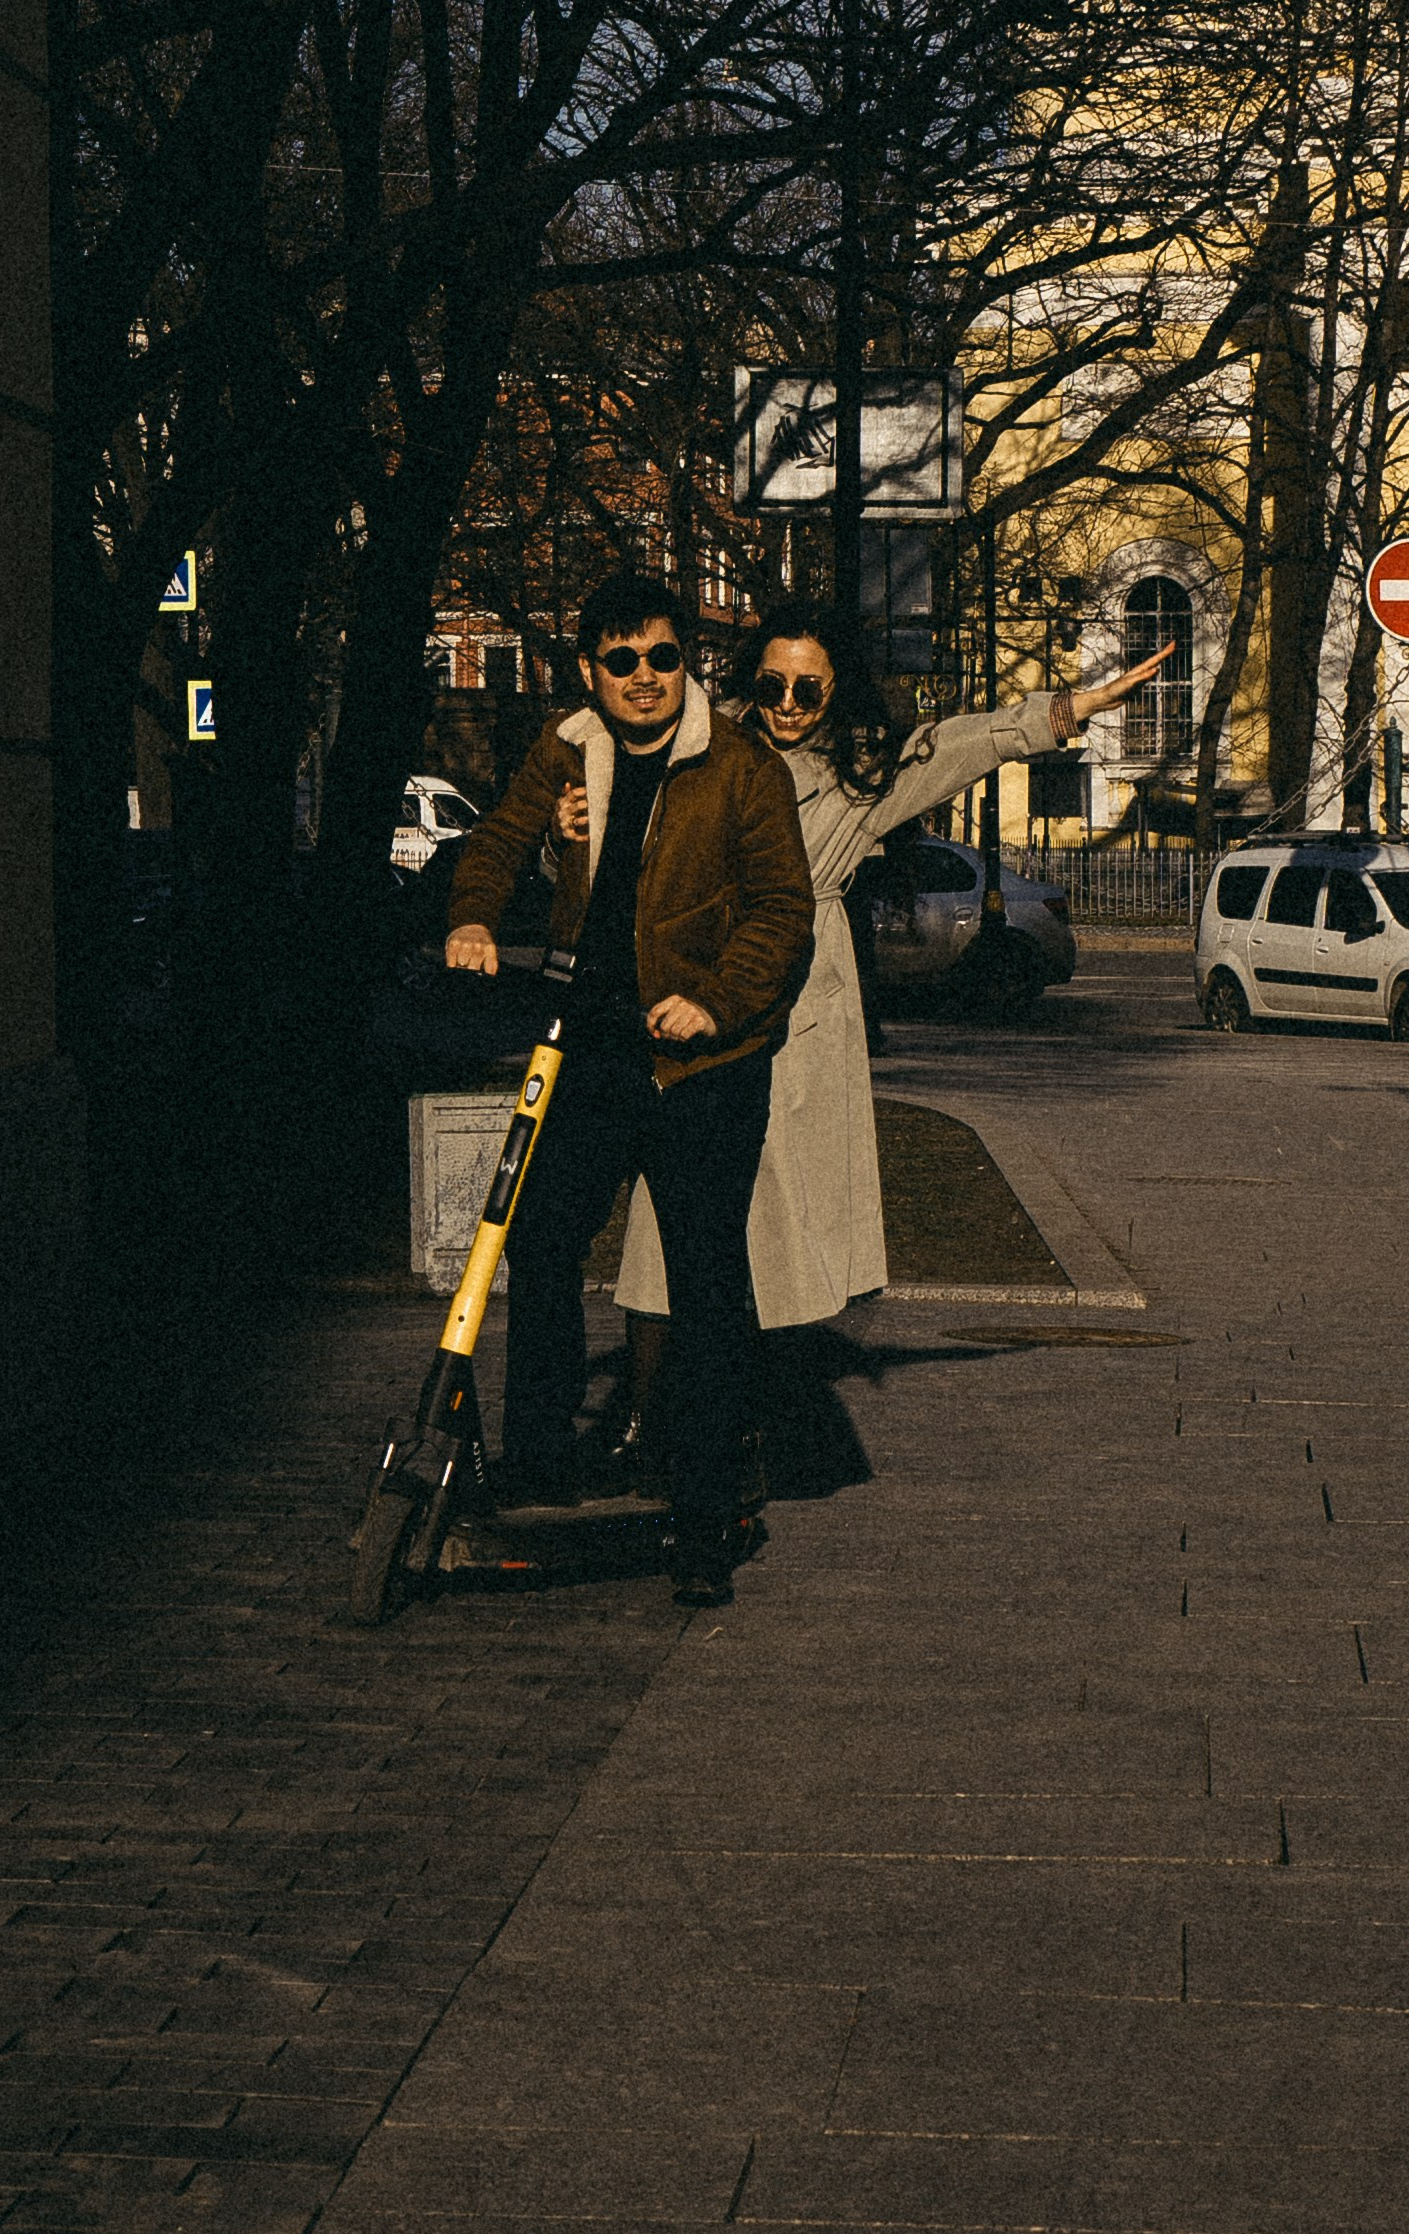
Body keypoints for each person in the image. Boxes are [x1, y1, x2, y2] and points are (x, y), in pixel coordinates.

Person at [597, 614, 1170, 1424]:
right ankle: (645, 1419)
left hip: (799, 1014)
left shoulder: (862, 773)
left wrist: (1071, 707)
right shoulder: (700, 746)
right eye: (771, 684)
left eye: (808, 690)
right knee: (664, 1213)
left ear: (836, 693)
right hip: (698, 994)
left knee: (780, 1213)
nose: (787, 704)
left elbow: (965, 743)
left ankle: (751, 1415)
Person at [442, 569, 815, 1604]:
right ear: (589, 669)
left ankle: (702, 1516)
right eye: (621, 659)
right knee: (539, 1241)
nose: (644, 677)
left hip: (704, 1066)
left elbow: (782, 912)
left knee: (703, 1280)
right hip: (594, 1050)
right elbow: (499, 838)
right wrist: (472, 916)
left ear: (685, 661)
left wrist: (715, 1003)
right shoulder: (566, 749)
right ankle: (540, 1464)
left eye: (662, 656)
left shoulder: (739, 767)